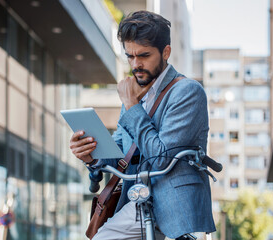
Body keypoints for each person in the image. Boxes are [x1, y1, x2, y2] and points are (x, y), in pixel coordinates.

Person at [70, 10, 215, 240]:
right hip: (138, 199)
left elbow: (160, 158)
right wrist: (92, 155)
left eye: (144, 56)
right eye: (130, 56)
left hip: (171, 202)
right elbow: (120, 150)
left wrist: (131, 104)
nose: (135, 65)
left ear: (165, 52)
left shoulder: (187, 92)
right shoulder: (135, 93)